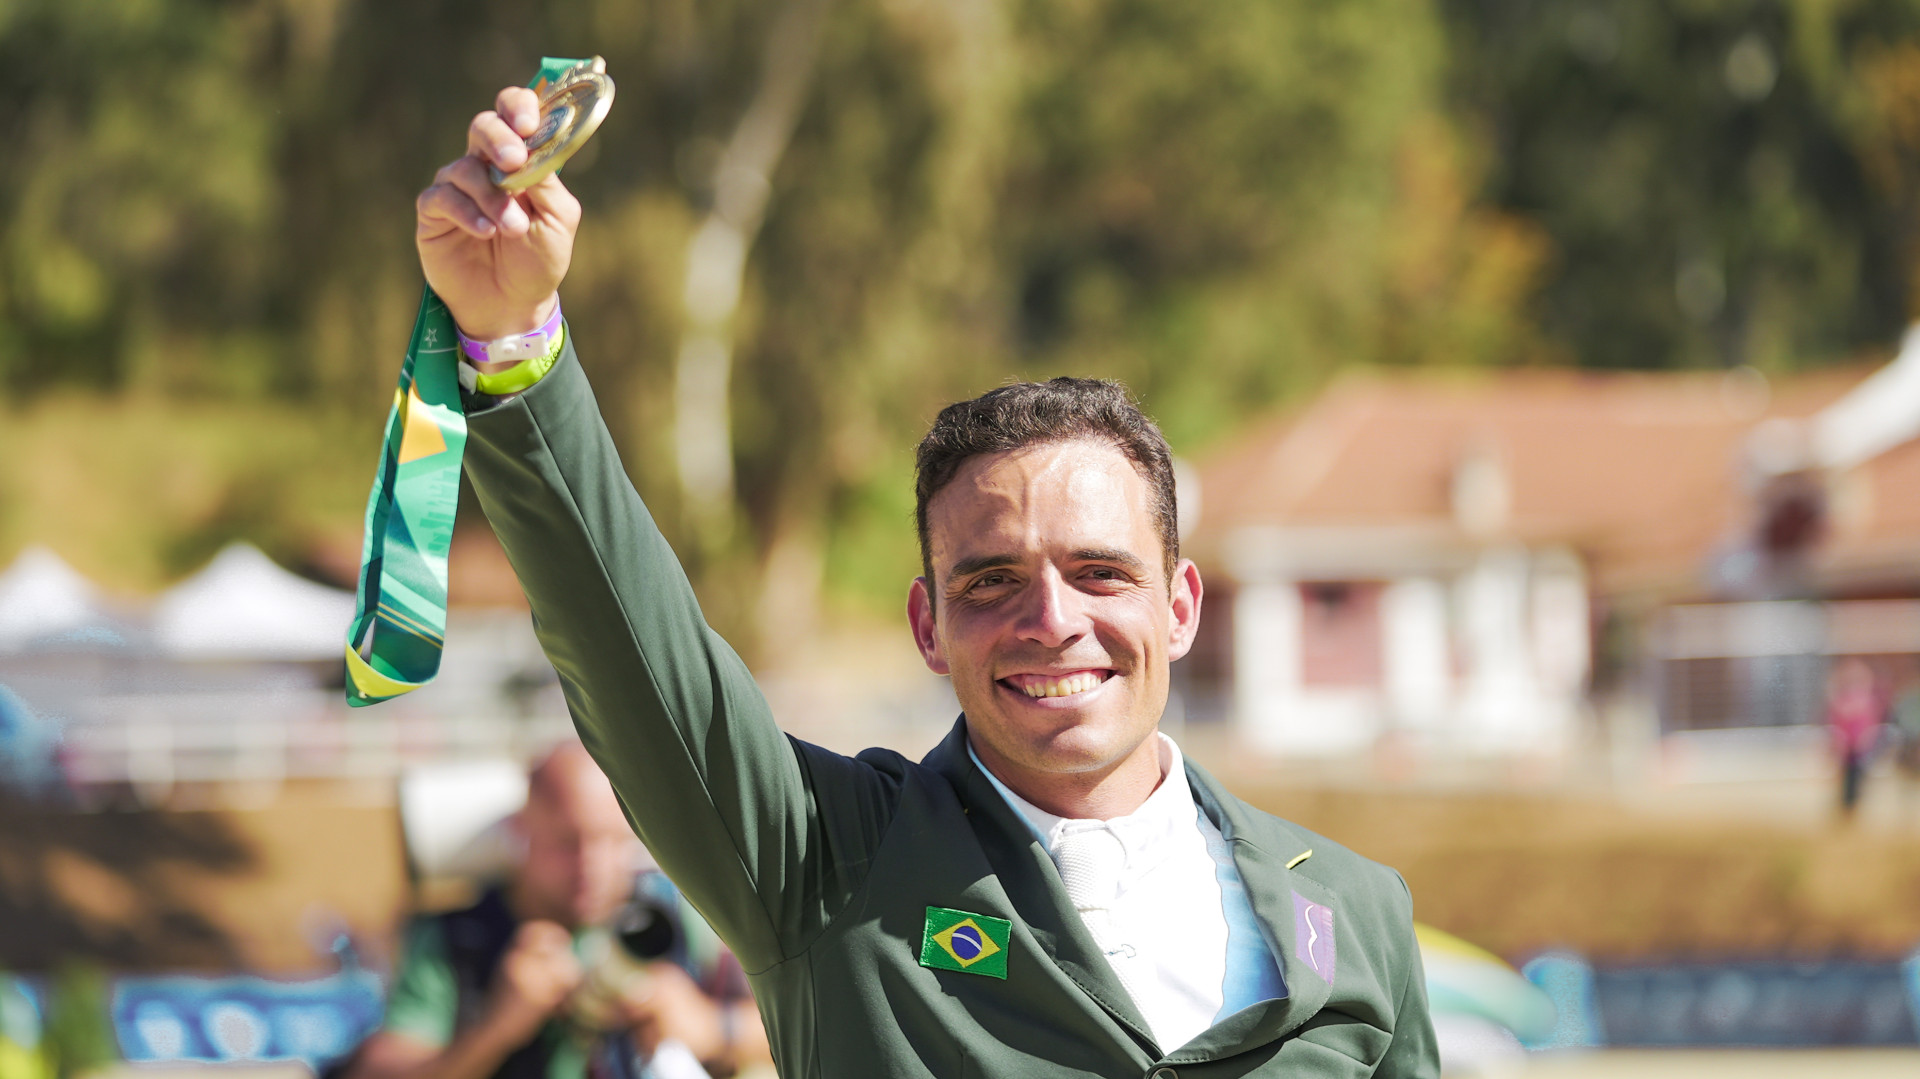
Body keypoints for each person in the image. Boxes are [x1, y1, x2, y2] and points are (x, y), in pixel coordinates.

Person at [412, 85, 1438, 1077]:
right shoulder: (827, 864)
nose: (1052, 619)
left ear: (1179, 608)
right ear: (929, 624)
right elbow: (630, 647)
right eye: (992, 581)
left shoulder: (1355, 912)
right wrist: (514, 341)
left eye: (1099, 573)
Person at [345, 743, 770, 1079]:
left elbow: (798, 1026)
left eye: (610, 840)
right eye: (568, 842)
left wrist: (713, 1029)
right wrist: (495, 1030)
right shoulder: (456, 939)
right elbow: (378, 1069)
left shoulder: (673, 915)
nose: (592, 864)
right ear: (521, 831)